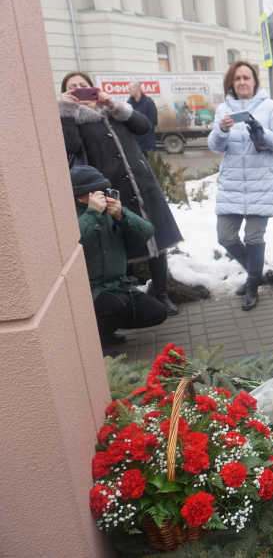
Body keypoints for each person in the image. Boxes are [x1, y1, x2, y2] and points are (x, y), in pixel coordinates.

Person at [59, 71, 183, 319]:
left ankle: (161, 294)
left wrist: (115, 105)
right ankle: (128, 304)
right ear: (66, 94)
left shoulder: (112, 113)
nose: (79, 90)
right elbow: (69, 147)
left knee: (155, 243)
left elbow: (145, 126)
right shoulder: (71, 121)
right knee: (119, 249)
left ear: (93, 88)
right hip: (110, 192)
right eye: (72, 88)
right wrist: (65, 111)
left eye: (83, 86)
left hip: (142, 186)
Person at [207, 61, 273, 311]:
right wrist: (221, 131)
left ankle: (252, 286)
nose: (242, 82)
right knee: (225, 236)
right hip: (233, 183)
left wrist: (262, 132)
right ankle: (256, 274)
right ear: (231, 83)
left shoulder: (269, 106)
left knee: (254, 238)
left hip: (261, 183)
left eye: (246, 77)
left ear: (255, 81)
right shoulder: (224, 108)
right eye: (237, 78)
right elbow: (214, 145)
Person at [71, 165, 167, 358]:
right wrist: (92, 214)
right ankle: (99, 344)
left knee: (156, 312)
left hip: (117, 286)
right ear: (81, 196)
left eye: (105, 191)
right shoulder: (72, 215)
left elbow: (147, 232)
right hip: (89, 290)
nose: (103, 197)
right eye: (96, 193)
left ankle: (108, 328)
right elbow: (75, 242)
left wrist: (122, 215)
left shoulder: (110, 211)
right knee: (116, 304)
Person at [127, 81, 158, 154]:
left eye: (130, 89)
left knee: (149, 164)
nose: (129, 91)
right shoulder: (128, 104)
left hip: (147, 142)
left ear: (136, 89)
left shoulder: (148, 103)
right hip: (134, 143)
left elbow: (154, 121)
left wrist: (141, 129)